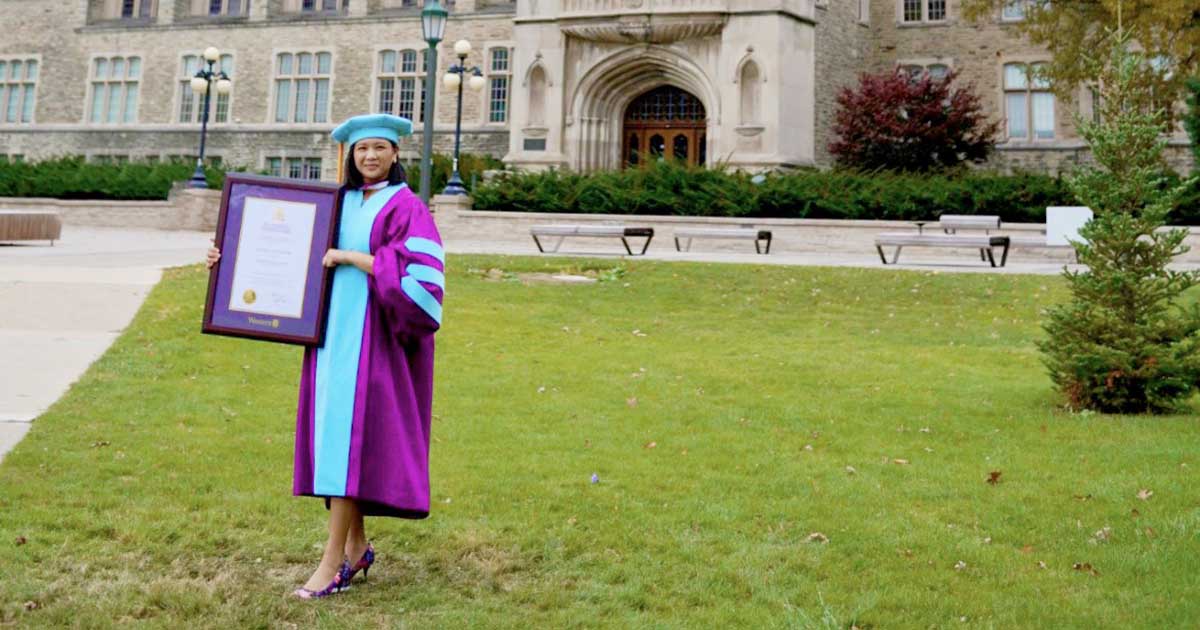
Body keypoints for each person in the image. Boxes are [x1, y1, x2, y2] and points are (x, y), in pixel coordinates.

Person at [205, 114, 444, 599]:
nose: (370, 156)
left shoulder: (408, 207)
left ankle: (332, 563)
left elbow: (424, 284)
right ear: (350, 156)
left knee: (347, 441)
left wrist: (353, 258)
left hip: (375, 341)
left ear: (396, 154)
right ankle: (356, 551)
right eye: (361, 150)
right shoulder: (335, 202)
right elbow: (285, 248)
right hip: (330, 336)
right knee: (336, 440)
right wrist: (226, 258)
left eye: (379, 148)